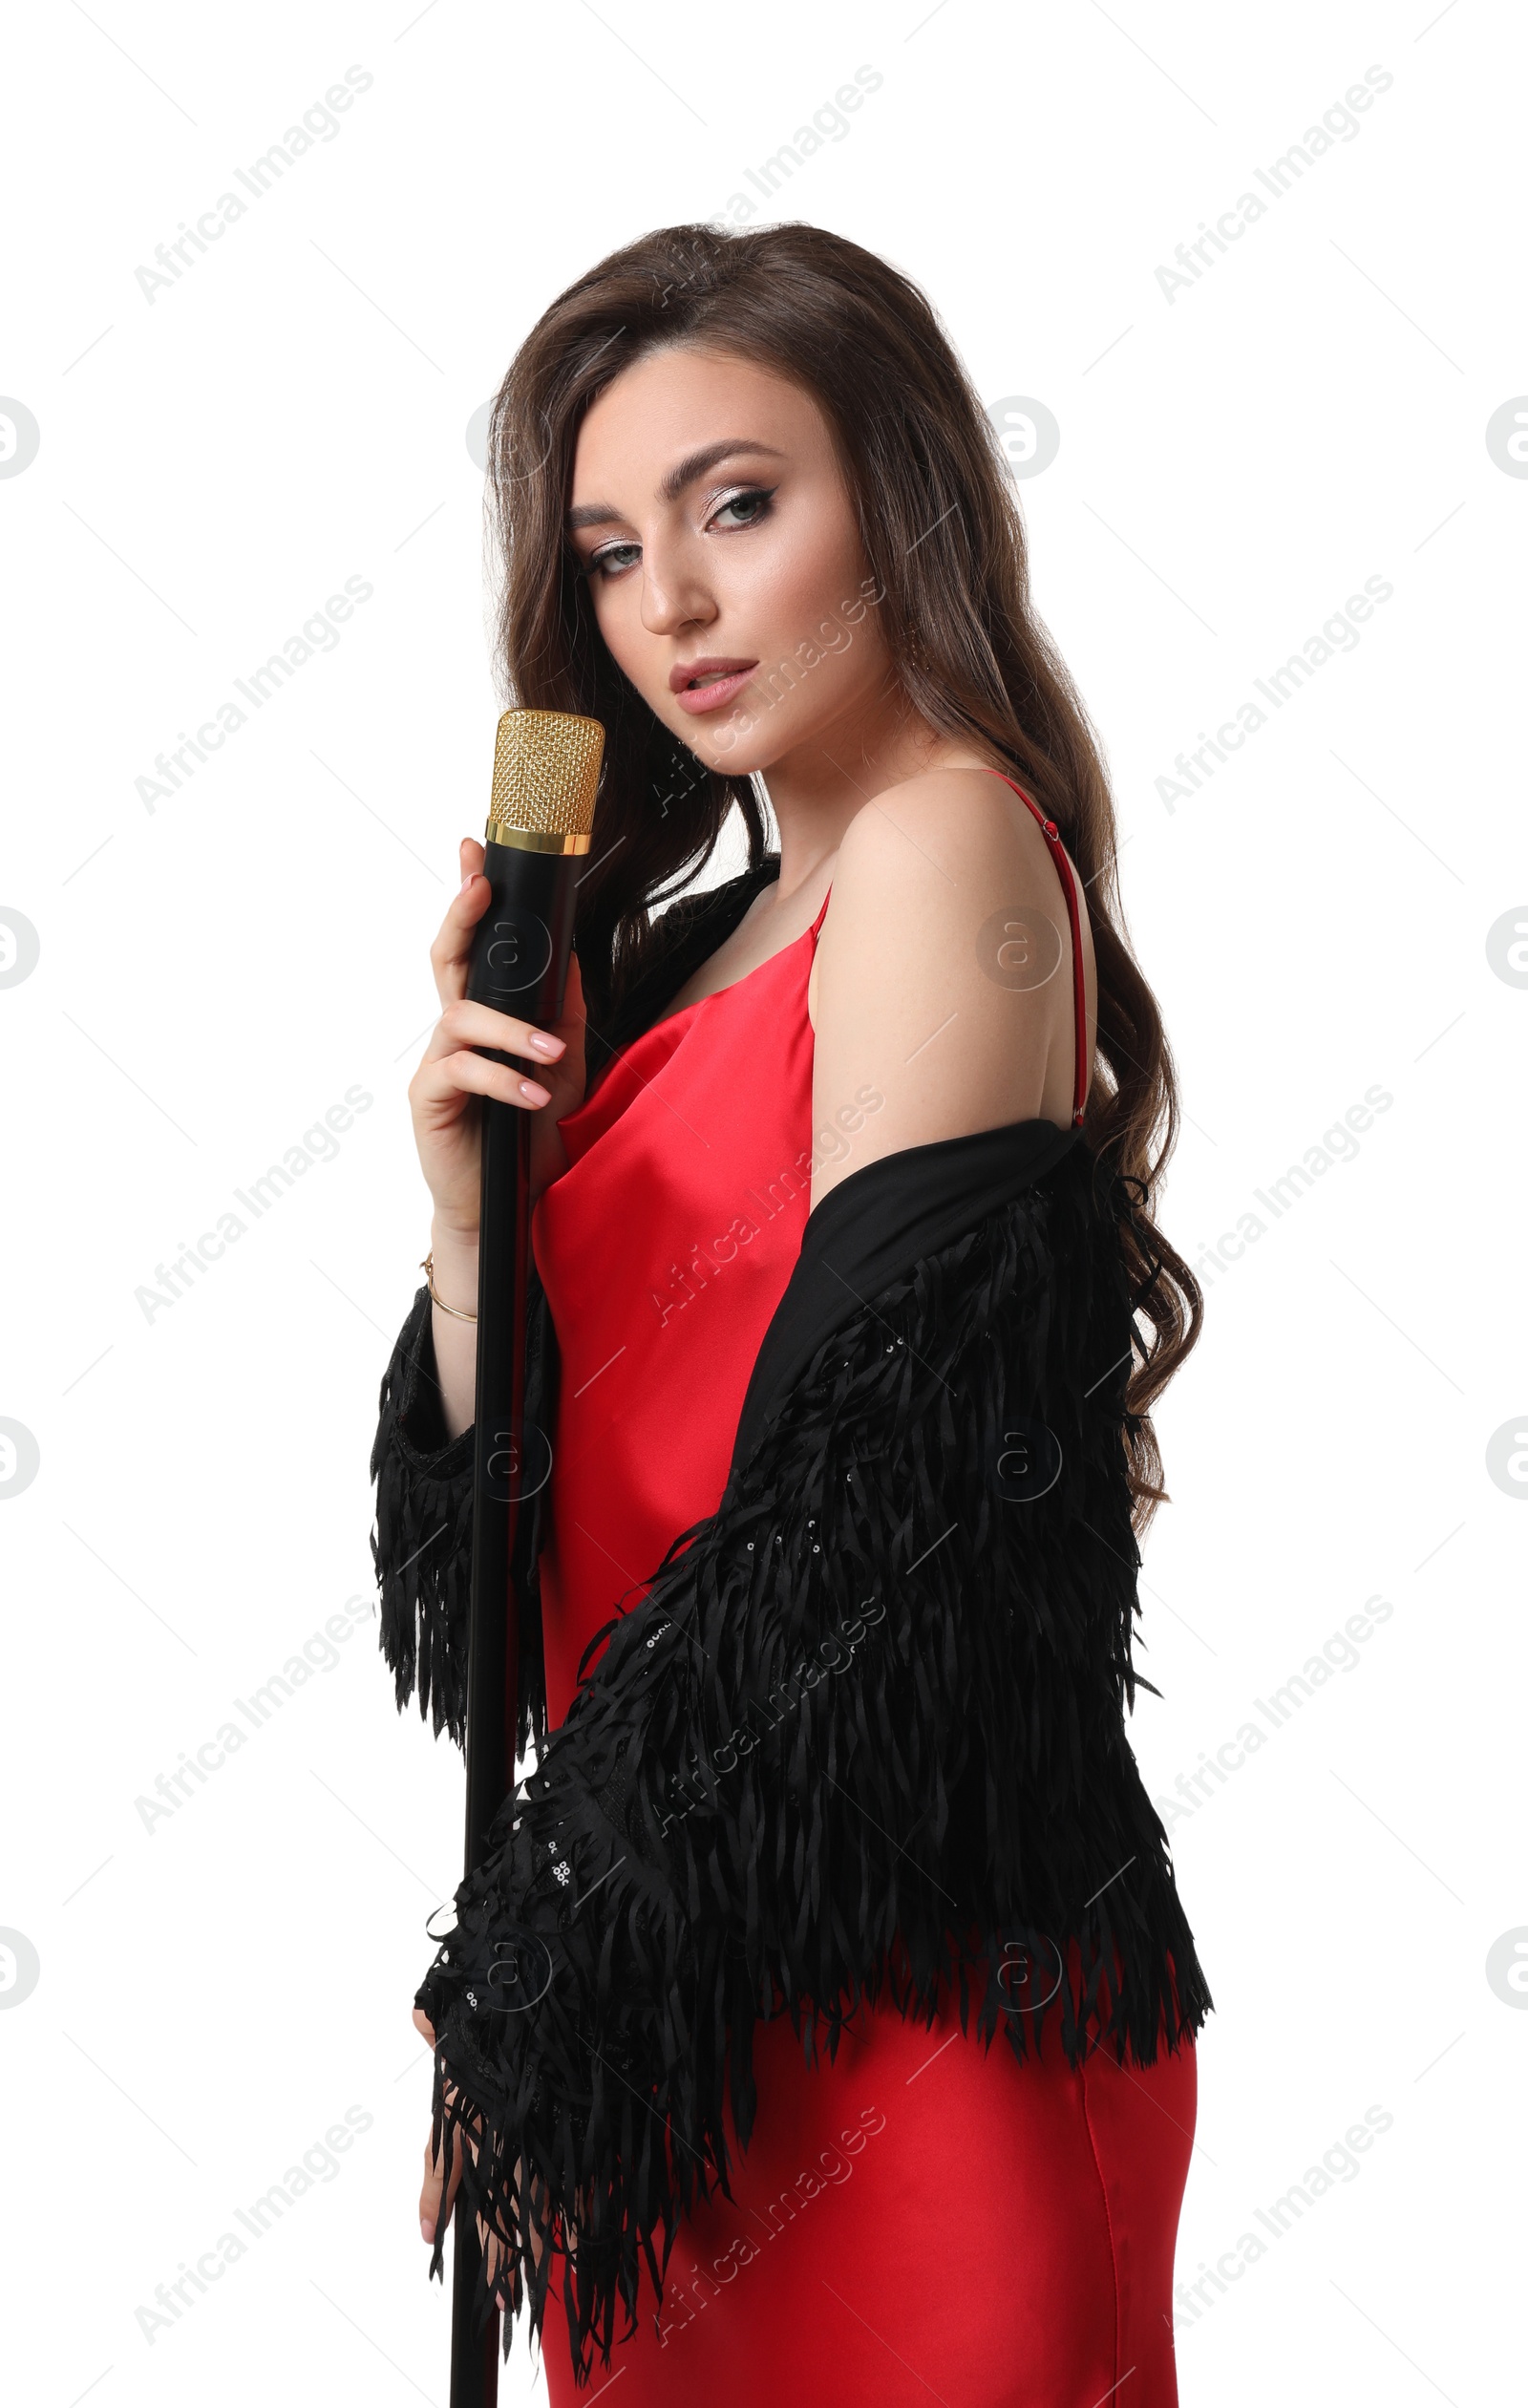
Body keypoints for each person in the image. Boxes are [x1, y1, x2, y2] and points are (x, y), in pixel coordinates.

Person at [371, 222, 1211, 2404]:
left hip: (896, 2032)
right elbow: (498, 1574)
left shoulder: (941, 851)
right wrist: (478, 1226)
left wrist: (541, 1970)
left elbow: (882, 1517)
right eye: (612, 545)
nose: (671, 601)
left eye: (739, 502)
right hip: (679, 2035)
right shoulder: (676, 956)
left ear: (900, 496)